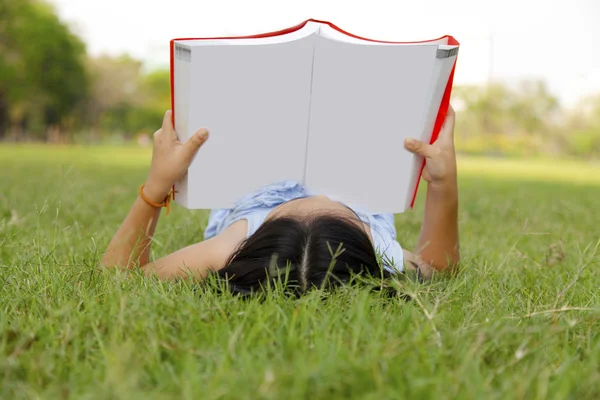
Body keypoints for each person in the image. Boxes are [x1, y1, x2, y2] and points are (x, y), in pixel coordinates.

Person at [101, 108, 460, 295]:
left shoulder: (227, 248)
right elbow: (439, 269)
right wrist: (444, 185)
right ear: (363, 233)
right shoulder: (382, 251)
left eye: (296, 204)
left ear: (263, 230)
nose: (312, 192)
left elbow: (119, 277)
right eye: (333, 204)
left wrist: (157, 184)